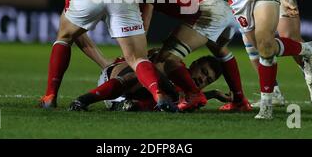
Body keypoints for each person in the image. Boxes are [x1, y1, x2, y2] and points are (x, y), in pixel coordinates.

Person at [39, 0, 189, 112]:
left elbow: (75, 35)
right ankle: (158, 95)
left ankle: (50, 96)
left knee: (64, 37)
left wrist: (103, 62)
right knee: (137, 58)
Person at [149, 0, 251, 112]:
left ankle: (193, 94)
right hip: (230, 7)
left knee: (164, 60)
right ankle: (239, 100)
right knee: (219, 49)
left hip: (212, 7)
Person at [69, 50, 231, 112]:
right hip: (115, 78)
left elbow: (183, 96)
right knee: (151, 74)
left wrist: (214, 94)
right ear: (194, 64)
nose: (202, 79)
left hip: (130, 98)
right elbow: (148, 67)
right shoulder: (174, 64)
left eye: (207, 79)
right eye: (203, 72)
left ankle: (127, 106)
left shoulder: (189, 93)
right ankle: (82, 100)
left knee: (172, 101)